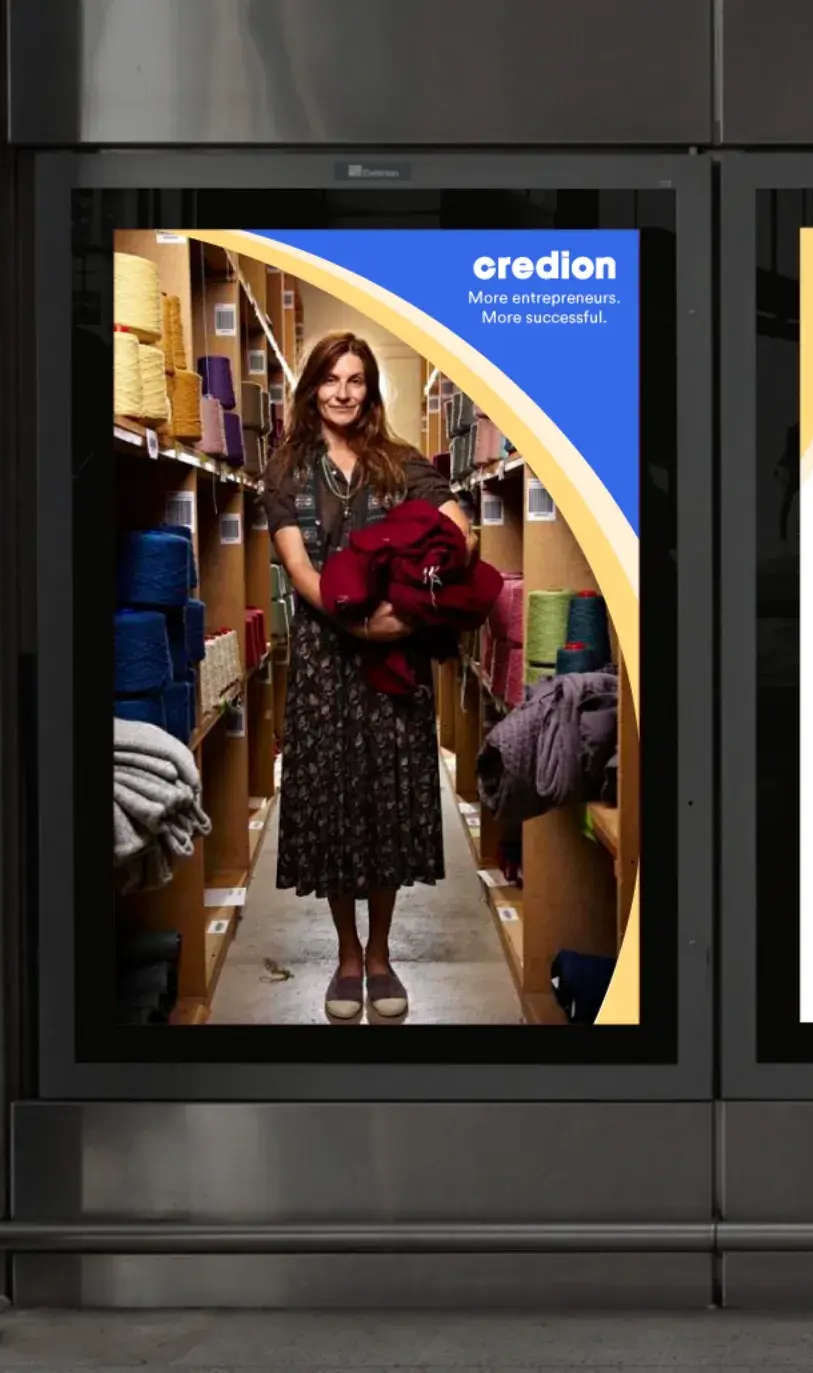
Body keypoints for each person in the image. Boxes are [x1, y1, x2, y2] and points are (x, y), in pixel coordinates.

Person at [261, 331, 472, 1020]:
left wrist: (414, 608)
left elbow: (460, 531)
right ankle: (347, 955)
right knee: (333, 806)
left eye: (355, 380)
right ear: (312, 388)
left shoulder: (402, 462)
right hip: (326, 661)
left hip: (397, 658)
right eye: (330, 379)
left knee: (386, 806)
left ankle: (380, 953)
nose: (342, 393)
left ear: (370, 389)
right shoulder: (288, 469)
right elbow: (298, 566)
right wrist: (355, 624)